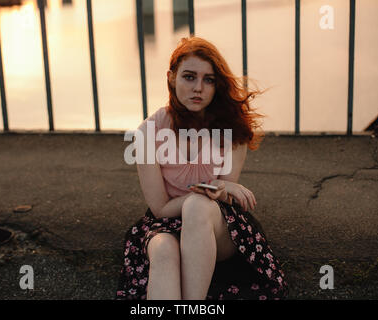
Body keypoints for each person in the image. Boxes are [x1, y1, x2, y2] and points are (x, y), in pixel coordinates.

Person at [116, 37, 288, 300]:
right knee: (163, 249)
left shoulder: (232, 131)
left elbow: (226, 201)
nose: (198, 88)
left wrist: (221, 189)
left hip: (216, 224)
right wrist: (214, 188)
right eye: (189, 77)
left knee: (197, 206)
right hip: (164, 223)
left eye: (208, 80)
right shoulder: (148, 133)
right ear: (171, 78)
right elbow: (160, 208)